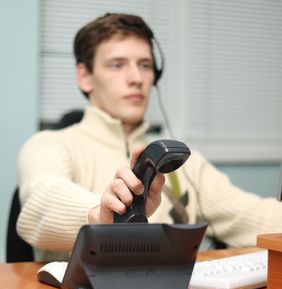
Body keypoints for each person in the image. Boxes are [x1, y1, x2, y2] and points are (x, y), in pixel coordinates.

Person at [16, 13, 282, 261]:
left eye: (145, 65)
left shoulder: (177, 161)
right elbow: (41, 202)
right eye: (117, 65)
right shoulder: (49, 145)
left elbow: (249, 215)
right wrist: (100, 214)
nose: (136, 78)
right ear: (85, 77)